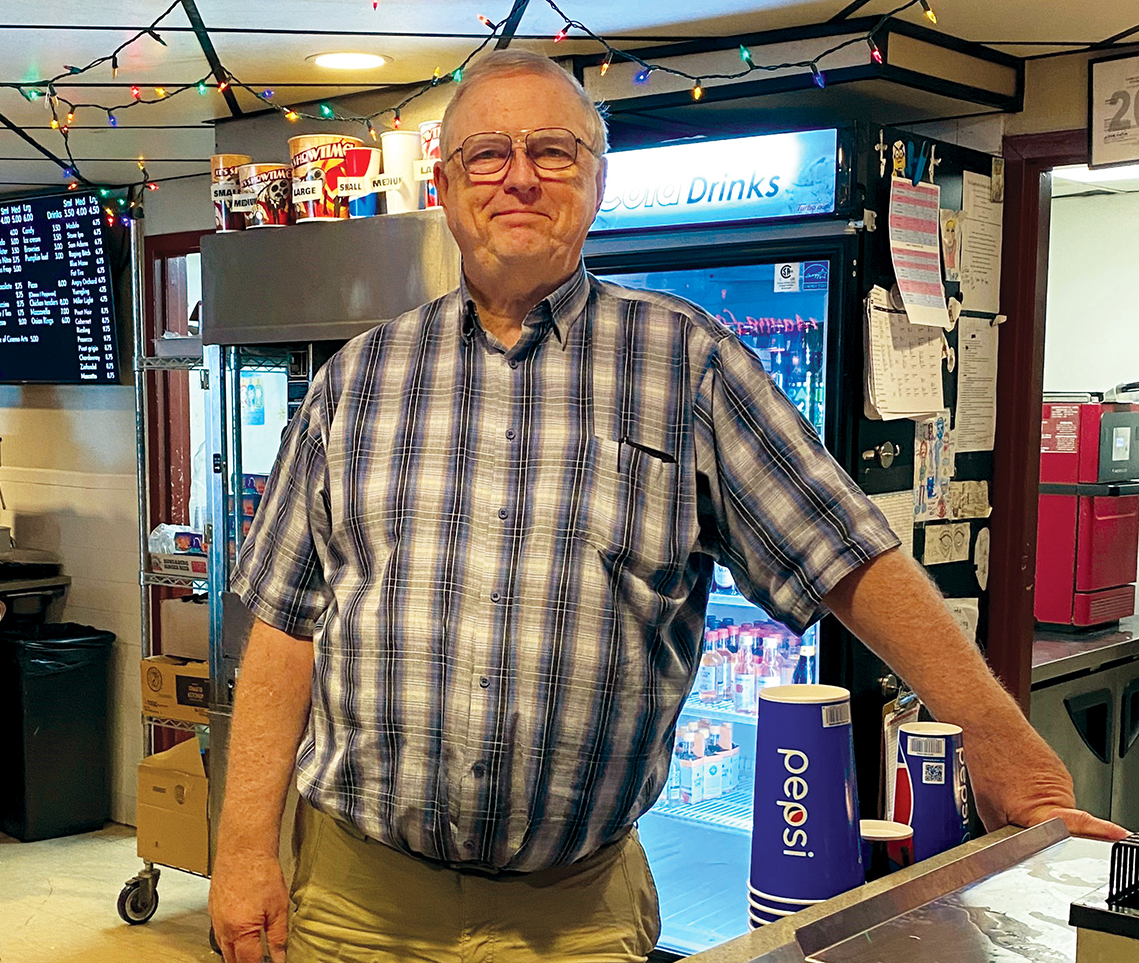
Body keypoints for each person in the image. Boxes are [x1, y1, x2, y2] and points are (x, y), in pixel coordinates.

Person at [209, 50, 1125, 963]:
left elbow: (849, 557)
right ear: (445, 185)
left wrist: (1009, 753)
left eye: (554, 151)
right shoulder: (358, 383)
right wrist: (245, 848)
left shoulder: (686, 364)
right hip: (356, 904)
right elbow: (286, 629)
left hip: (577, 916)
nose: (520, 176)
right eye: (487, 154)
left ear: (597, 182)